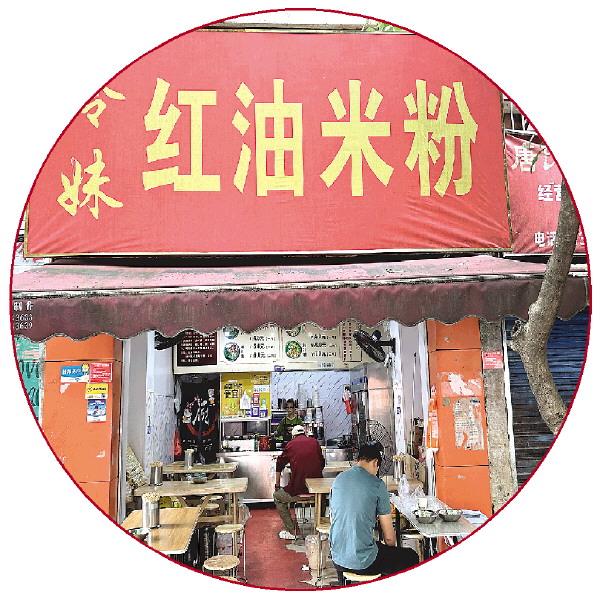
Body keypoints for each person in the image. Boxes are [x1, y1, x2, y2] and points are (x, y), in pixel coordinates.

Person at [329, 442, 419, 582]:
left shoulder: (339, 479)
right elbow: (389, 538)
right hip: (362, 563)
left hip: (337, 558)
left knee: (376, 547)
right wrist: (391, 552)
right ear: (375, 462)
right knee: (410, 556)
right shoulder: (377, 484)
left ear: (358, 460)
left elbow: (333, 518)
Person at [273, 424, 325, 540]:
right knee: (322, 498)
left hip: (298, 491)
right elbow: (322, 463)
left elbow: (279, 464)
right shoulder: (314, 442)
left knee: (277, 496)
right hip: (315, 491)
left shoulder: (291, 444)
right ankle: (320, 530)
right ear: (304, 433)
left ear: (293, 436)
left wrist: (277, 484)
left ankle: (292, 531)